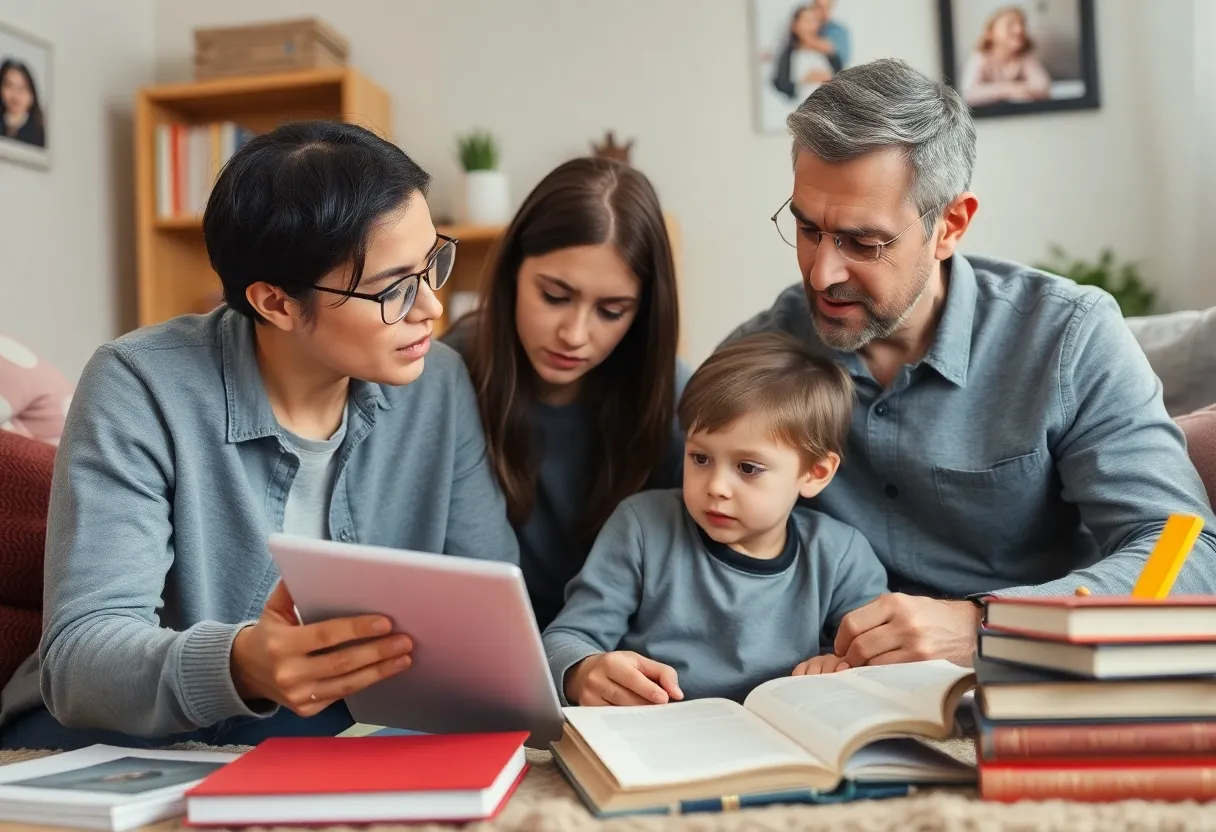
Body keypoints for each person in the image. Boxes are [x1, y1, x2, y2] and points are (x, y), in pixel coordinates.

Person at [0, 120, 519, 750]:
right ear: (276, 303)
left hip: (325, 723)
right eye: (393, 289)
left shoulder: (436, 381)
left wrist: (572, 664)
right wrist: (241, 662)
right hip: (121, 739)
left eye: (432, 262)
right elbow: (81, 659)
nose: (432, 308)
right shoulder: (139, 385)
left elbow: (494, 611)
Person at [731, 58, 1216, 671]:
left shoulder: (1068, 337)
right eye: (807, 228)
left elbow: (1190, 557)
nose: (822, 273)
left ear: (949, 226)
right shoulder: (759, 358)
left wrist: (989, 623)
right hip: (820, 695)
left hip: (1021, 693)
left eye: (863, 242)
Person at [543, 332, 889, 706]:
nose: (716, 487)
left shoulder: (840, 556)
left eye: (748, 467)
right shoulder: (642, 526)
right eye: (701, 458)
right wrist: (585, 672)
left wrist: (840, 668)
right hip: (658, 737)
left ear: (815, 473)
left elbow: (881, 659)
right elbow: (563, 641)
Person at [443, 157, 687, 631]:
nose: (574, 335)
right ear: (513, 272)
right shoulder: (449, 374)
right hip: (485, 649)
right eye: (554, 296)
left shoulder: (672, 396)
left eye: (612, 311)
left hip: (627, 662)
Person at [959, 6, 1051, 107]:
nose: (1019, 30)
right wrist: (1011, 89)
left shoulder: (1025, 58)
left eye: (1022, 24)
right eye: (1010, 24)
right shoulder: (981, 58)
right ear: (990, 33)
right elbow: (969, 93)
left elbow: (1043, 88)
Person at [769, 2, 847, 102]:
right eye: (806, 21)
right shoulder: (789, 54)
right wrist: (805, 81)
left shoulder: (827, 50)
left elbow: (842, 76)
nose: (811, 26)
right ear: (795, 26)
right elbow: (781, 84)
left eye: (814, 21)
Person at [0, 59, 45, 148]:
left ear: (32, 95)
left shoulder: (40, 135)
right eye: (9, 86)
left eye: (22, 88)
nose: (15, 95)